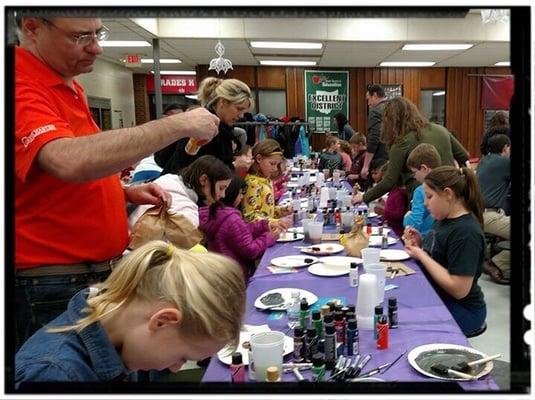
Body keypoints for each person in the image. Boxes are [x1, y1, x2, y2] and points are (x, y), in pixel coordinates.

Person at [14, 17, 220, 349]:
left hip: (82, 276)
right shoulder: (20, 84)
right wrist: (178, 125)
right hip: (52, 283)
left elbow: (45, 179)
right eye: (81, 36)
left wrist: (121, 193)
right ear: (33, 27)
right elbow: (67, 159)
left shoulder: (67, 84)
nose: (96, 47)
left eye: (98, 33)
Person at [15, 241, 246, 386]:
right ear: (163, 321)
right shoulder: (52, 375)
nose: (175, 368)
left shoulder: (129, 341)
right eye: (182, 358)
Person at [403, 166, 487, 336]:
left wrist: (422, 255)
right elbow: (439, 256)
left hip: (464, 310)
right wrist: (420, 244)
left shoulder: (466, 233)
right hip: (440, 296)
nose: (426, 203)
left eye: (429, 196)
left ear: (448, 194)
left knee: (404, 325)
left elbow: (459, 288)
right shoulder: (444, 219)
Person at [352, 97, 470, 205]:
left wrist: (364, 197)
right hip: (452, 194)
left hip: (423, 198)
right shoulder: (441, 130)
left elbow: (389, 181)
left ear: (390, 121)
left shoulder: (401, 143)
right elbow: (464, 156)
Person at [128, 155, 233, 248]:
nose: (222, 195)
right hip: (139, 258)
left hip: (125, 237)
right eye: (221, 188)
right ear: (203, 180)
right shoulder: (188, 212)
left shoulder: (166, 179)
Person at [155, 77, 254, 175]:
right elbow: (198, 173)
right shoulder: (205, 128)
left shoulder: (215, 126)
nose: (241, 116)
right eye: (238, 109)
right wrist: (234, 166)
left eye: (244, 111)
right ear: (222, 102)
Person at [199, 174, 279, 281]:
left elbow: (242, 231)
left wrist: (265, 225)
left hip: (222, 272)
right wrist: (269, 237)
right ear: (232, 193)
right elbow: (250, 251)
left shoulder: (216, 213)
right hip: (235, 274)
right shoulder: (232, 219)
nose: (242, 197)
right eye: (241, 193)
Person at [476, 134, 511, 284]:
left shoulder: (484, 161)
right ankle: (498, 263)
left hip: (479, 213)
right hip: (490, 215)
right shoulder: (504, 162)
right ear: (505, 148)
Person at [241, 139, 292, 229]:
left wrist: (281, 211)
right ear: (259, 159)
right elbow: (250, 217)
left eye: (277, 164)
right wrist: (276, 222)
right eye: (272, 164)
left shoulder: (265, 180)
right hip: (258, 234)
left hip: (267, 232)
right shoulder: (252, 183)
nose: (275, 168)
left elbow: (266, 212)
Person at [131, 104, 185, 183]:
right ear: (165, 117)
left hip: (148, 169)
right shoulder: (162, 133)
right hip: (156, 170)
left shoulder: (181, 134)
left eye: (182, 116)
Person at [403, 143, 442, 237]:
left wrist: (407, 217)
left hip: (424, 240)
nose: (414, 176)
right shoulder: (446, 186)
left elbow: (413, 225)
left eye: (414, 172)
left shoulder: (420, 191)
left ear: (424, 168)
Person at [360, 84, 389, 182]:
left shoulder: (376, 111)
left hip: (380, 158)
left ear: (375, 95)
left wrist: (365, 166)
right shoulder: (393, 108)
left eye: (369, 99)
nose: (368, 103)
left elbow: (374, 139)